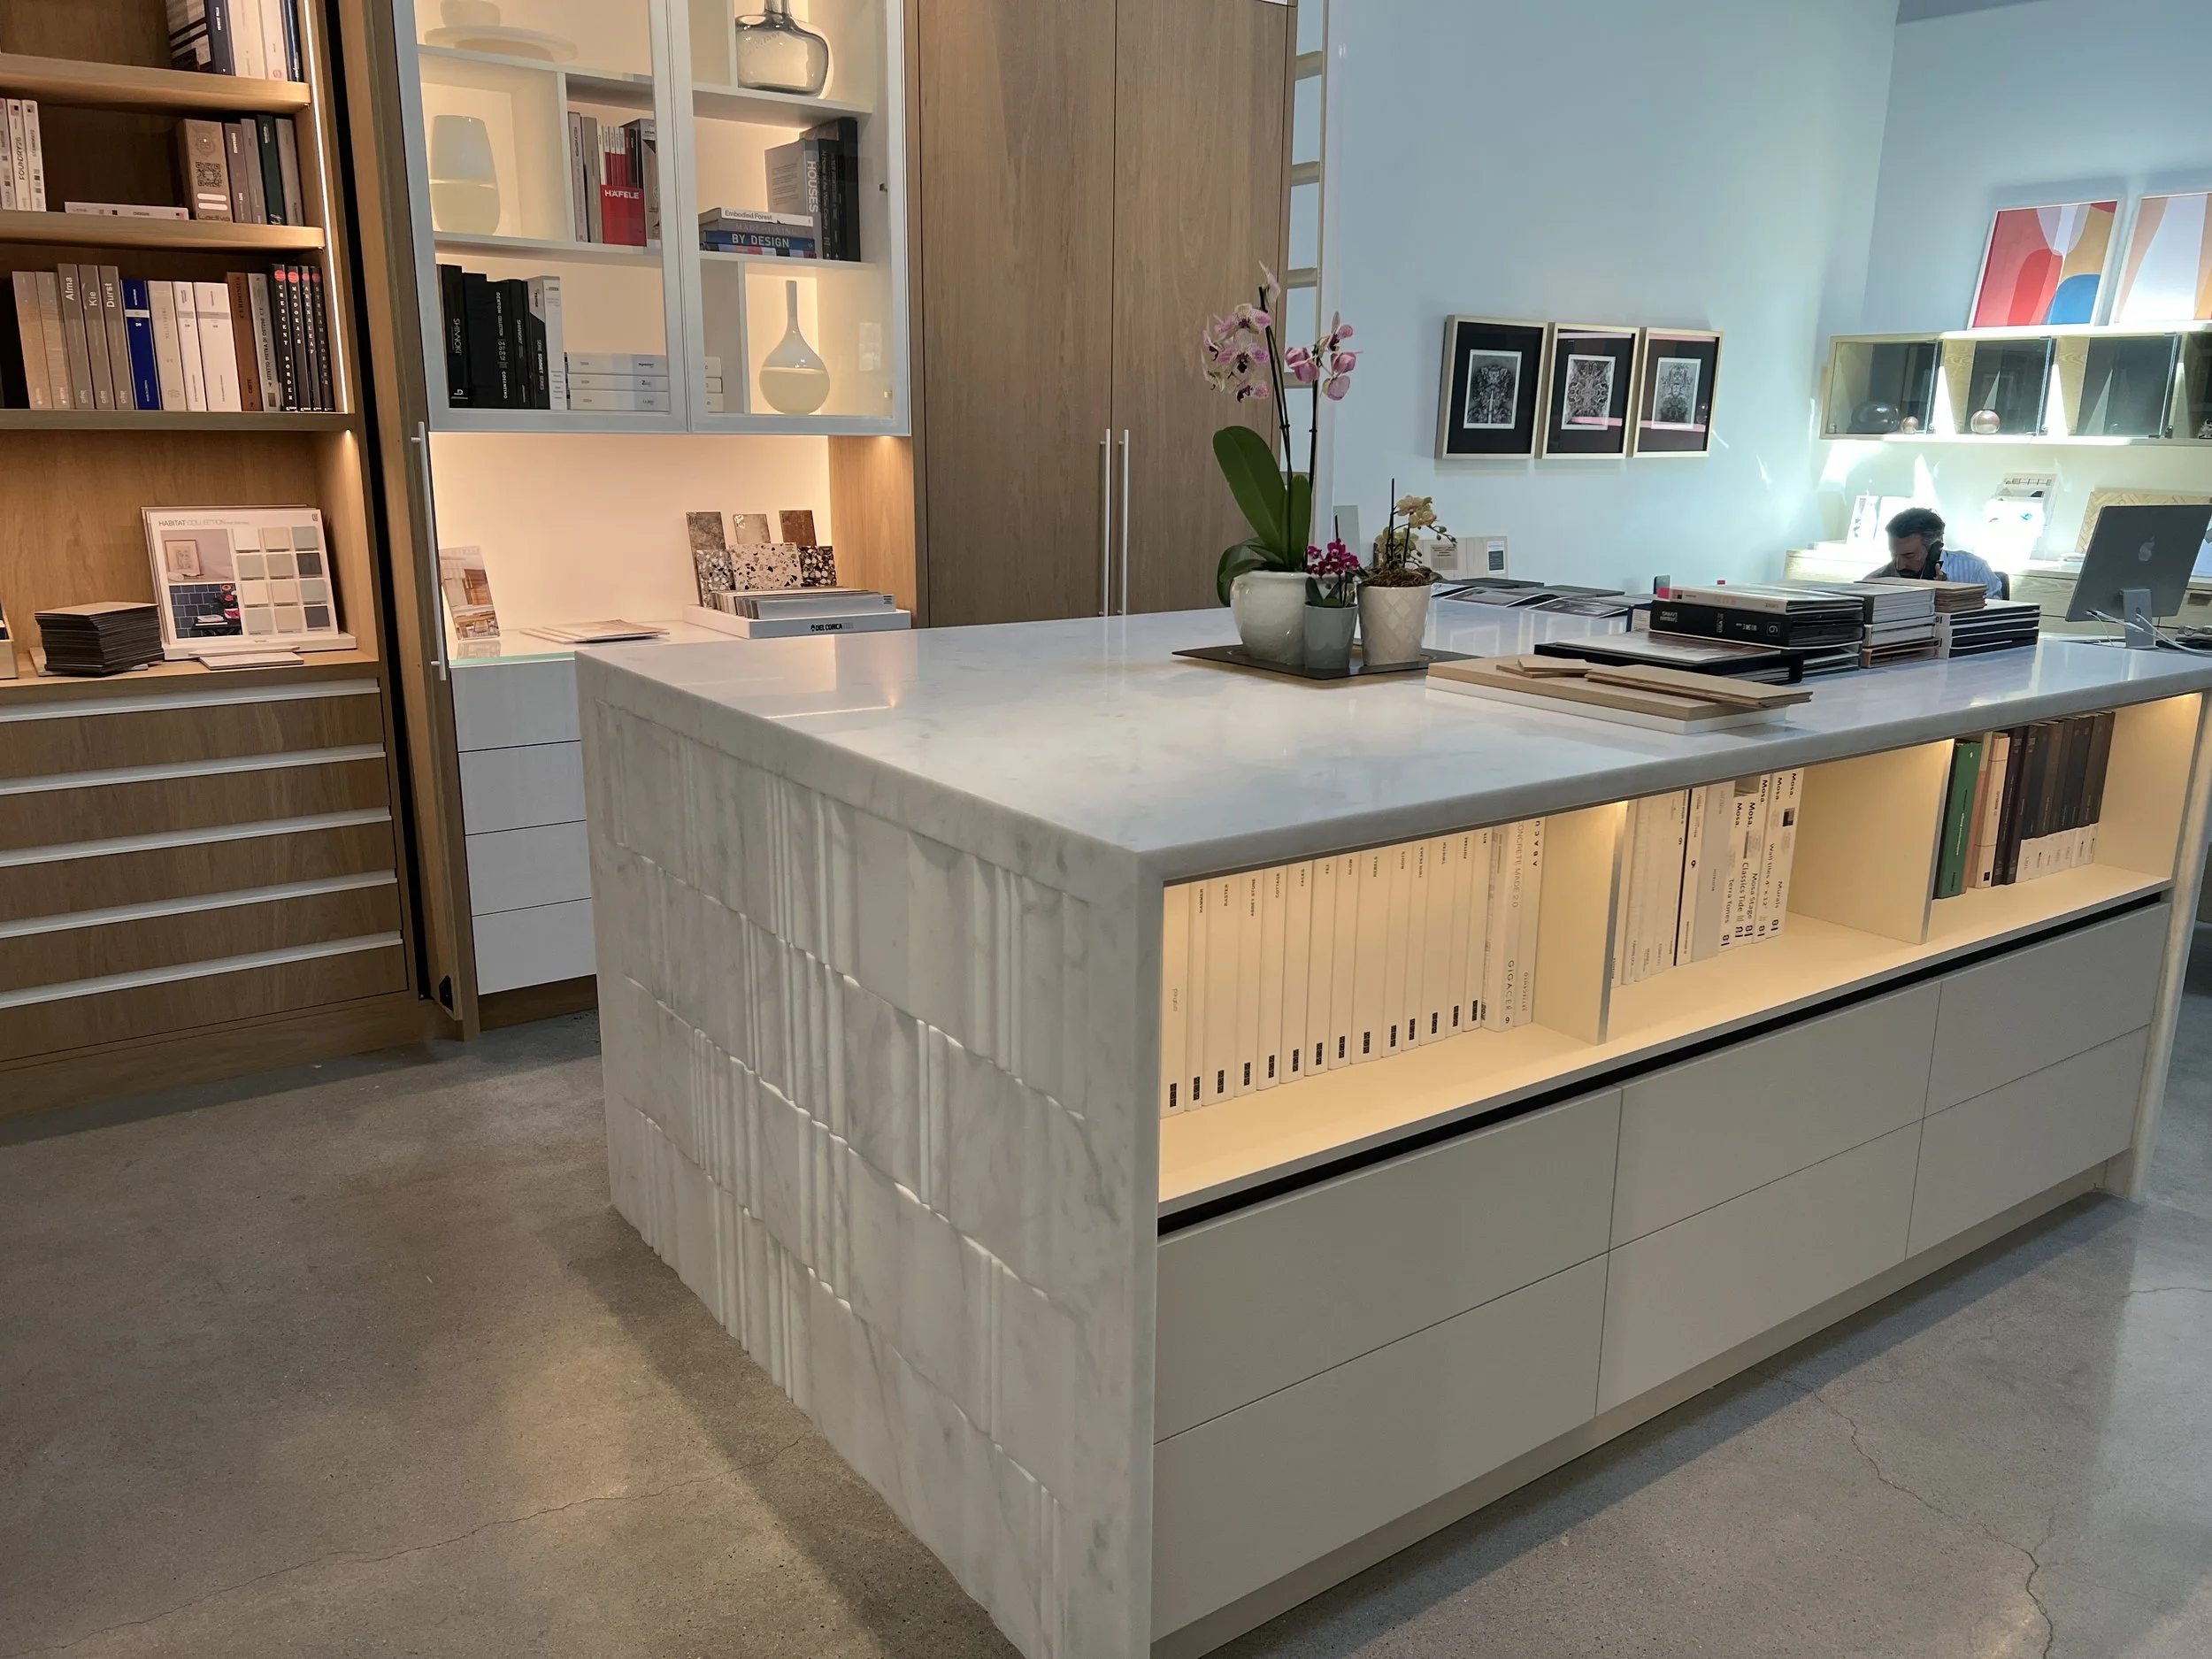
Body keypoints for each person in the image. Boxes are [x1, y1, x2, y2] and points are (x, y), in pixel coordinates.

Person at [1866, 507, 2003, 596]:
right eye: (1894, 554)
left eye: (1909, 556)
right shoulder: (1878, 579)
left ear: (1935, 548)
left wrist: (1950, 596)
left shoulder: (1975, 569)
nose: (1899, 566)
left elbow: (1997, 621)